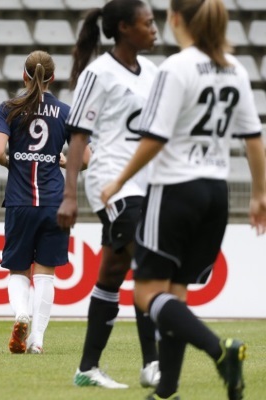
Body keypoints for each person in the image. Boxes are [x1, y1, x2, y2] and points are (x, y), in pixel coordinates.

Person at [100, 0, 266, 398]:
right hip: (216, 193)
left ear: (177, 19)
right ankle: (167, 389)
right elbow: (254, 139)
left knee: (146, 294)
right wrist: (260, 193)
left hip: (175, 189)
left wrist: (118, 181)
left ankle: (219, 349)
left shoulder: (176, 67)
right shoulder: (234, 68)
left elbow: (155, 138)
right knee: (174, 294)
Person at [56, 0, 161, 389]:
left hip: (146, 180)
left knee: (114, 272)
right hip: (111, 181)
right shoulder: (98, 73)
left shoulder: (152, 71)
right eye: (147, 23)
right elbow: (78, 135)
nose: (154, 29)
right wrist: (70, 195)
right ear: (122, 28)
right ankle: (153, 364)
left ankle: (87, 368)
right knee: (148, 260)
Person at [0, 50, 75, 355]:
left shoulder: (8, 108)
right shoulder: (66, 111)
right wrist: (60, 162)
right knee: (45, 273)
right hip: (55, 201)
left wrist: (19, 163)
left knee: (18, 270)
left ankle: (20, 315)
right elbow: (87, 158)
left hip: (20, 200)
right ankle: (37, 340)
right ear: (53, 78)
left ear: (24, 75)